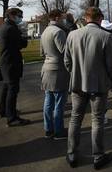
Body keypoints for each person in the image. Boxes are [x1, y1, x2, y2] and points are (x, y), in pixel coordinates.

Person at [64, 7, 112, 169]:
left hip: (78, 84)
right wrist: (110, 82)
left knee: (75, 118)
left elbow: (67, 61)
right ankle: (98, 156)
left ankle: (72, 154)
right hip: (99, 85)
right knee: (97, 119)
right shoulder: (106, 36)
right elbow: (111, 65)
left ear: (86, 18)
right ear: (100, 18)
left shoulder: (72, 35)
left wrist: (76, 74)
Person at [0, 7, 30, 127]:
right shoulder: (11, 28)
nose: (20, 18)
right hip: (11, 62)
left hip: (5, 61)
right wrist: (24, 35)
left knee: (6, 87)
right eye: (19, 16)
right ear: (12, 15)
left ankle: (4, 111)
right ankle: (12, 118)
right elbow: (22, 44)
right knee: (13, 89)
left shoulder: (4, 26)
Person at [40, 9, 69, 139]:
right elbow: (64, 51)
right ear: (57, 18)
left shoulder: (45, 31)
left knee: (48, 101)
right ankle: (58, 131)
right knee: (59, 102)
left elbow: (41, 53)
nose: (63, 20)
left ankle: (48, 129)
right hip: (58, 70)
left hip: (46, 68)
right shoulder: (58, 31)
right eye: (62, 18)